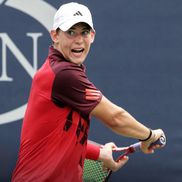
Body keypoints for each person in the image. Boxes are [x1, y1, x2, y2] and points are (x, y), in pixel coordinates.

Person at [11, 2, 165, 182]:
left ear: (92, 35)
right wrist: (149, 135)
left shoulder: (60, 71)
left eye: (84, 32)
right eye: (70, 32)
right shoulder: (63, 74)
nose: (78, 39)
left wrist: (100, 153)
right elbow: (115, 117)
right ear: (55, 35)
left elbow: (58, 140)